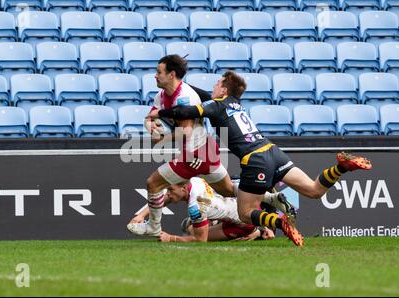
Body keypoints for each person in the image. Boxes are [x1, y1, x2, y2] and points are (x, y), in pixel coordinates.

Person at [150, 71, 373, 247]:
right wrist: (181, 83)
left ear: (224, 88)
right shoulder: (234, 104)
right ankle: (341, 168)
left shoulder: (217, 106)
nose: (214, 86)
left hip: (255, 159)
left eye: (218, 83)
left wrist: (158, 113)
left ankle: (279, 222)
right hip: (273, 152)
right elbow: (207, 96)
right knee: (314, 190)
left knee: (245, 214)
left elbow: (185, 112)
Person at [128, 56, 290, 238]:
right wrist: (150, 126)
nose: (155, 76)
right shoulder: (162, 95)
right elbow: (151, 116)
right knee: (227, 189)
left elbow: (186, 132)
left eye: (159, 72)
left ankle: (153, 227)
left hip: (195, 155)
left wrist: (162, 138)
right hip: (207, 150)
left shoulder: (184, 97)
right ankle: (271, 198)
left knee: (153, 183)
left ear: (171, 74)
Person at [128, 177, 278, 243]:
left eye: (170, 189)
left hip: (245, 222)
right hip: (242, 206)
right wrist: (141, 215)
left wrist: (171, 238)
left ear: (184, 188)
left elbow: (200, 240)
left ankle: (256, 232)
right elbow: (166, 198)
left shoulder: (196, 206)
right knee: (190, 225)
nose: (167, 193)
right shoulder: (194, 180)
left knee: (193, 231)